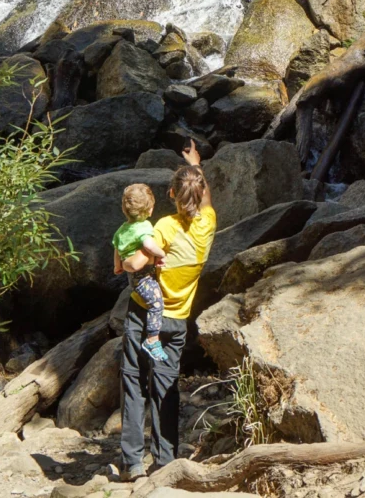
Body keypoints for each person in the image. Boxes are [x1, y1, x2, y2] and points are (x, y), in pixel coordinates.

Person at [118, 141, 215, 482]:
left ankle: (132, 463)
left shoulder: (163, 228)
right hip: (177, 321)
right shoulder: (207, 224)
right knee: (166, 385)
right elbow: (203, 199)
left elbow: (136, 262)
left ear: (171, 194)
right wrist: (196, 167)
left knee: (133, 381)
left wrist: (122, 258)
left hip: (145, 315)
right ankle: (165, 459)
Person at [113, 182, 169, 362]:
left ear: (124, 209)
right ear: (150, 210)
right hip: (144, 277)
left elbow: (117, 249)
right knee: (156, 303)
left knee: (149, 302)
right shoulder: (144, 227)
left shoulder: (121, 230)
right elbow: (148, 245)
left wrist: (117, 266)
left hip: (134, 279)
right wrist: (161, 253)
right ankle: (152, 340)